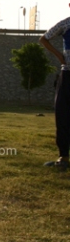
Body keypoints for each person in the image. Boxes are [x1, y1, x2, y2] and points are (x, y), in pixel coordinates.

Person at [40, 17, 70, 171]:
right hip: (67, 75)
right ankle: (63, 156)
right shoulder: (66, 24)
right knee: (63, 114)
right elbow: (44, 39)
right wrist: (60, 56)